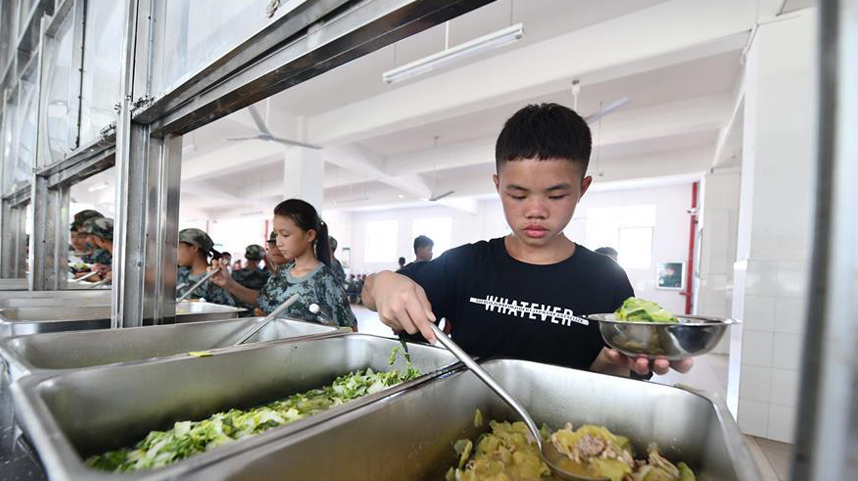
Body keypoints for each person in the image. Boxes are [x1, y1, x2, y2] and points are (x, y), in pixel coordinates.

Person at [361, 103, 692, 378]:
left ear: (583, 188)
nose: (536, 211)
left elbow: (613, 377)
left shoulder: (606, 278)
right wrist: (384, 283)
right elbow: (370, 290)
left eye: (557, 194)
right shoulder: (466, 264)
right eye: (517, 194)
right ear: (497, 185)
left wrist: (615, 364)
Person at [210, 199, 357, 329]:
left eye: (285, 235)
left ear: (309, 235)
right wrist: (228, 283)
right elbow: (262, 299)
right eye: (277, 234)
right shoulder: (282, 273)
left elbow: (349, 328)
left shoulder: (325, 279)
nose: (279, 243)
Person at [176, 228, 236, 306]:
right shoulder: (180, 272)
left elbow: (227, 311)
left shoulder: (214, 278)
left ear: (194, 247)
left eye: (178, 248)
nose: (175, 253)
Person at [231, 244, 271, 315]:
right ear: (262, 258)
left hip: (236, 312)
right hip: (257, 313)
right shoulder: (266, 275)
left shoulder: (235, 274)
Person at [79, 217, 114, 282]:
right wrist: (109, 269)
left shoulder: (119, 257)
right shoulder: (119, 256)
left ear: (99, 238)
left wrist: (99, 280)